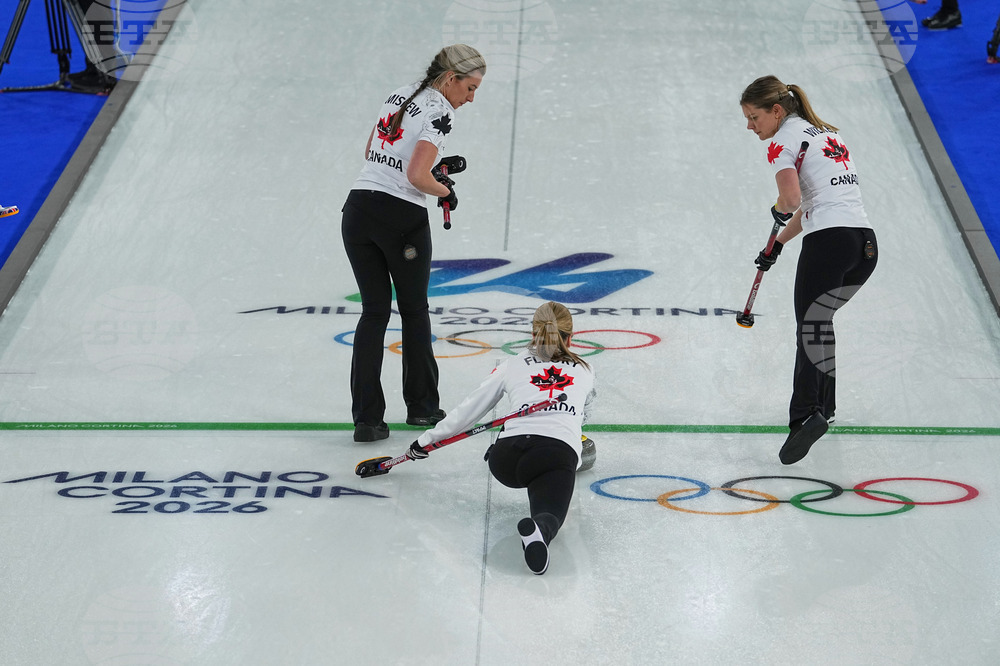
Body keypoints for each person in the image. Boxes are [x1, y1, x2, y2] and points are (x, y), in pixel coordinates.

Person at [342, 44, 486, 442]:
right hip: (400, 218)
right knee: (414, 310)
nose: (470, 99)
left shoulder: (400, 93)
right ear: (451, 78)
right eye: (470, 88)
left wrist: (430, 173)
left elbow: (373, 152)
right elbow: (416, 177)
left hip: (357, 211)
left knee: (373, 313)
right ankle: (422, 407)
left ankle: (367, 420)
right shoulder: (441, 111)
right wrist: (445, 190)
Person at [740, 75, 878, 465]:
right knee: (820, 323)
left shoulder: (782, 141)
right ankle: (825, 408)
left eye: (753, 117)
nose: (750, 127)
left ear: (776, 111)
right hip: (864, 246)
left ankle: (804, 415)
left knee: (810, 327)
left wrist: (778, 209)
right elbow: (818, 202)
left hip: (829, 244)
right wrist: (778, 243)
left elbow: (791, 199)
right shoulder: (825, 134)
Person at [407, 301, 597, 575]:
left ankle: (536, 515)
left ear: (533, 334)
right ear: (570, 338)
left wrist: (425, 442)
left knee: (536, 463)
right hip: (553, 454)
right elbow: (582, 416)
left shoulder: (512, 364)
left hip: (507, 458)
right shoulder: (585, 369)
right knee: (550, 511)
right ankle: (540, 529)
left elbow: (470, 409)